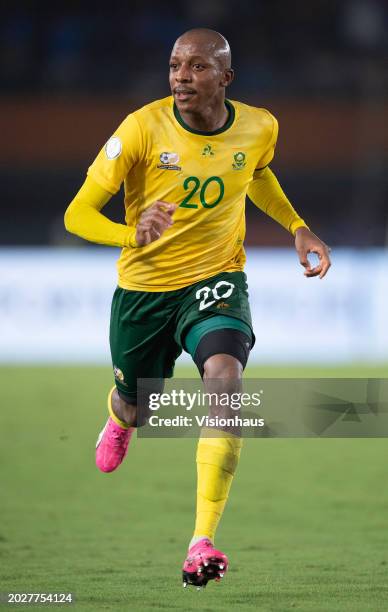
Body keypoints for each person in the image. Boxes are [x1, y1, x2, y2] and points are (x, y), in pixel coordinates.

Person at [64, 28, 331, 588]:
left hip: (216, 278)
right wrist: (129, 235)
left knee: (225, 381)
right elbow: (77, 213)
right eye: (175, 65)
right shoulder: (142, 127)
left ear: (225, 78)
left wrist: (297, 227)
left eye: (197, 67)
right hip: (146, 289)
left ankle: (200, 540)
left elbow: (255, 174)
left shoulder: (261, 126)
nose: (182, 77)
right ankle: (120, 415)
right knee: (140, 406)